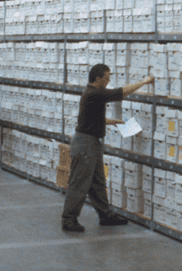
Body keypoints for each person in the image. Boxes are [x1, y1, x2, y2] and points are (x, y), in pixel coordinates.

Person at [62, 64, 154, 232]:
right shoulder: (94, 93)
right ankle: (68, 219)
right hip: (85, 145)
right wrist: (145, 81)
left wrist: (115, 122)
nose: (109, 79)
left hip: (91, 143)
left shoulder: (91, 94)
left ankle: (105, 215)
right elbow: (121, 92)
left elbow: (92, 118)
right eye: (107, 77)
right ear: (98, 80)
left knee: (97, 182)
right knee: (79, 182)